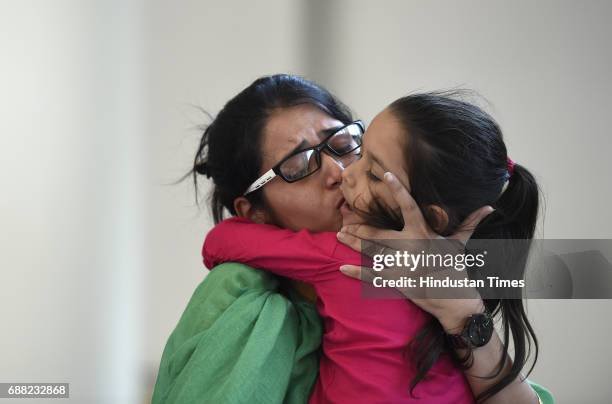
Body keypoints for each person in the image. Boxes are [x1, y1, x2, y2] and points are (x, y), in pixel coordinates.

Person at [152, 74, 553, 403]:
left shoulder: (442, 252)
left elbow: (576, 272)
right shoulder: (244, 293)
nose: (340, 172)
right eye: (299, 164)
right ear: (252, 212)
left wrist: (465, 313)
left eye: (343, 144)